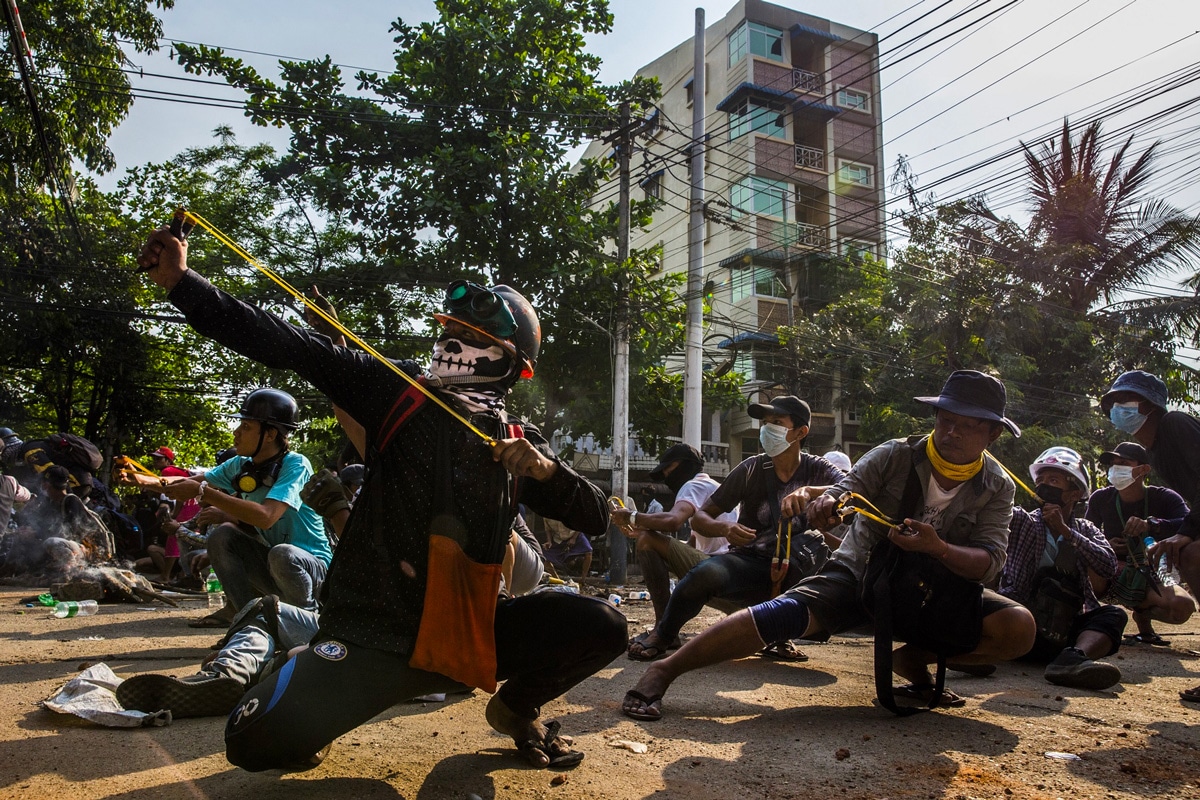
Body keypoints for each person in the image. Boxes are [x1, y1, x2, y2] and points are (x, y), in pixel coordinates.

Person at [136, 227, 624, 771]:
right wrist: (182, 284)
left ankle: (514, 709)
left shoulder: (517, 440)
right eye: (449, 332)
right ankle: (314, 663)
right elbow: (284, 342)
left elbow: (596, 515)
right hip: (376, 639)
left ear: (514, 365)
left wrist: (546, 469)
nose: (451, 346)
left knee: (603, 624)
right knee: (254, 743)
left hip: (468, 638)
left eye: (472, 337)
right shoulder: (394, 392)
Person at [621, 370, 1036, 720]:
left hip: (935, 592)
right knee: (778, 614)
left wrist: (939, 549)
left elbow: (990, 561)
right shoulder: (893, 455)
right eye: (946, 419)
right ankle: (665, 669)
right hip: (863, 573)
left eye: (967, 425)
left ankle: (912, 659)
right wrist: (827, 506)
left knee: (1018, 628)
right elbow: (845, 491)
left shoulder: (996, 485)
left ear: (993, 433)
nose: (951, 431)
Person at [622, 397, 844, 666]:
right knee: (705, 573)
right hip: (749, 563)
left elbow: (854, 488)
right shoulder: (751, 469)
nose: (767, 429)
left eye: (777, 422)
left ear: (801, 432)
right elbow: (701, 517)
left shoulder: (819, 469)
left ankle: (780, 633)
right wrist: (725, 528)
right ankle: (664, 633)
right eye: (765, 423)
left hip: (797, 572)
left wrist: (810, 491)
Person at [157, 389, 333, 624]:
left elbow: (267, 516)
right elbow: (182, 484)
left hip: (313, 573)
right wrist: (138, 479)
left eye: (246, 427)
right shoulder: (240, 465)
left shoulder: (297, 465)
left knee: (283, 553)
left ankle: (307, 624)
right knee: (222, 536)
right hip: (275, 566)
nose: (236, 433)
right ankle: (246, 620)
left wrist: (205, 493)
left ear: (270, 434)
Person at [1099, 370, 1200, 703]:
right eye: (1112, 402)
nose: (1116, 407)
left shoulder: (1175, 426)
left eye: (1124, 400)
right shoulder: (1156, 450)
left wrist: (1180, 533)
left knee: (1190, 556)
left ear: (1151, 406)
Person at [998, 447, 1126, 691]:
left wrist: (1067, 532)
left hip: (1063, 630)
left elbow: (1108, 566)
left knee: (1114, 615)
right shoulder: (1023, 521)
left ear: (1074, 494)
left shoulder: (1086, 530)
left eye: (1054, 480)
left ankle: (1072, 659)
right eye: (1042, 480)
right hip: (1021, 625)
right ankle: (974, 650)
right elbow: (998, 514)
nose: (1045, 486)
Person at [609, 443, 736, 656]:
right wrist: (643, 531)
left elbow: (673, 521)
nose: (667, 476)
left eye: (669, 470)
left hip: (721, 578)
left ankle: (664, 631)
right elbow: (691, 549)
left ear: (682, 466)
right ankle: (667, 627)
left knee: (647, 541)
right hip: (734, 582)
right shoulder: (715, 488)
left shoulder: (693, 485)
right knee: (647, 539)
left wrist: (632, 517)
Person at [1085, 441, 1194, 644]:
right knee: (1086, 562)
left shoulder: (1165, 498)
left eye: (1124, 463)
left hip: (1153, 570)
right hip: (1112, 571)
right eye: (1113, 464)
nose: (1116, 469)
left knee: (1182, 607)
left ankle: (1141, 612)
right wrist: (1105, 544)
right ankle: (1086, 621)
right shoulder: (1100, 498)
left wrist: (1152, 525)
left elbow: (1190, 523)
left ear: (1143, 469)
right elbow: (1085, 533)